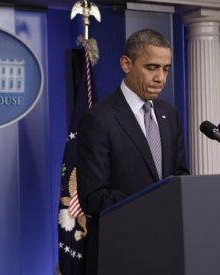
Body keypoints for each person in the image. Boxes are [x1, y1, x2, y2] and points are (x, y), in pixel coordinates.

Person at [76, 28, 190, 274]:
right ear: (126, 64)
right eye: (152, 67)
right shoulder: (98, 119)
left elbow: (179, 175)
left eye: (166, 69)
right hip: (120, 252)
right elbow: (93, 198)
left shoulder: (170, 115)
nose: (160, 77)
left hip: (168, 250)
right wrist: (155, 202)